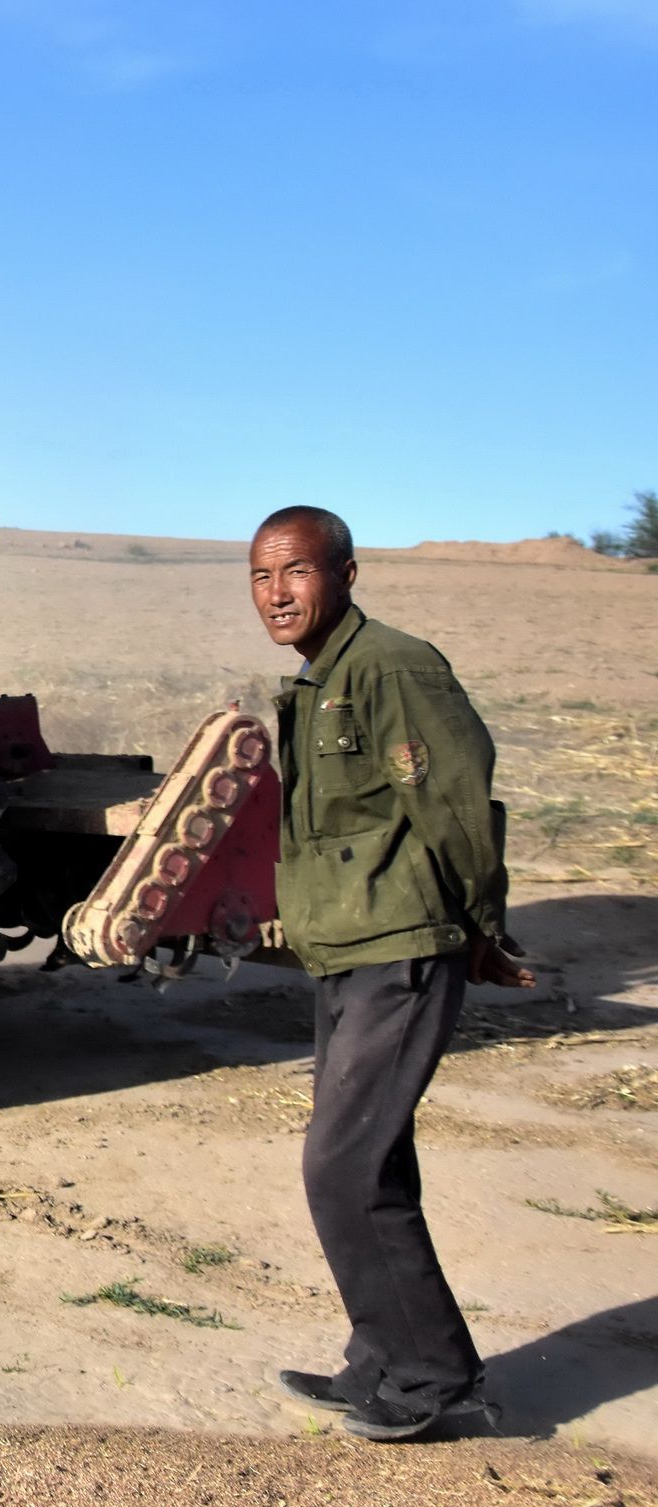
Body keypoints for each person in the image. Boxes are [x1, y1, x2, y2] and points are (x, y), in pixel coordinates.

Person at [251, 504, 534, 1443]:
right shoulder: (318, 682)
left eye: (296, 572)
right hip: (351, 950)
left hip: (404, 949)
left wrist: (481, 928)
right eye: (260, 576)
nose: (276, 593)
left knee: (342, 1166)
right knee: (371, 1162)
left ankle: (429, 1376)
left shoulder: (392, 668)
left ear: (346, 575)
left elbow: (454, 804)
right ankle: (381, 1361)